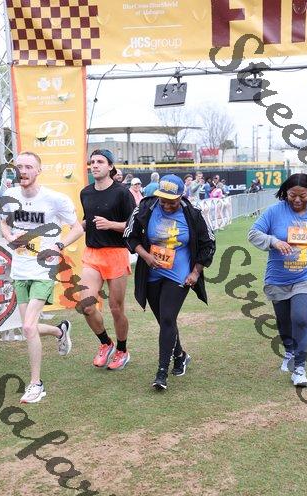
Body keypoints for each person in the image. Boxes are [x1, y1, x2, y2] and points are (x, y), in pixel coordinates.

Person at [0, 151, 84, 403]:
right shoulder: (10, 196)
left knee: (27, 327)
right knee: (29, 328)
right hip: (20, 269)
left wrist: (58, 245)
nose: (23, 171)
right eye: (19, 167)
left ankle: (36, 384)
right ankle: (59, 331)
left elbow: (77, 228)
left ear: (38, 170)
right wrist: (9, 236)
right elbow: (3, 222)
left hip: (43, 270)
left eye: (28, 167)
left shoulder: (54, 199)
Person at [124, 174, 216, 390]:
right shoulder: (145, 208)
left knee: (167, 318)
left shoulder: (193, 213)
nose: (166, 205)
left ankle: (162, 372)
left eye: (171, 202)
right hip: (152, 272)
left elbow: (209, 243)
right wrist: (146, 256)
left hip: (179, 273)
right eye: (162, 201)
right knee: (166, 320)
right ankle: (180, 355)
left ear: (181, 197)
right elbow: (130, 235)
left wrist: (195, 272)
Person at [248, 173, 307, 388]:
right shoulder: (274, 211)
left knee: (301, 318)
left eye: (302, 196)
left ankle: (299, 368)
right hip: (279, 277)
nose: (297, 200)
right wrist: (274, 241)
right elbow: (253, 234)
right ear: (285, 193)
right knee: (284, 322)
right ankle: (289, 349)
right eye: (292, 195)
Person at [80, 149, 136, 371]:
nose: (94, 165)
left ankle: (122, 350)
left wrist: (111, 224)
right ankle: (106, 343)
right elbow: (86, 222)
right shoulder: (85, 193)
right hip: (92, 254)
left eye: (100, 161)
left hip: (116, 254)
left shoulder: (122, 193)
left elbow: (135, 226)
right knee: (86, 306)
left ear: (110, 166)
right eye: (92, 162)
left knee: (116, 308)